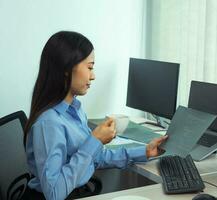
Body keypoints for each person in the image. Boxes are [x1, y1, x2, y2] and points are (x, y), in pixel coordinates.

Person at [23, 31, 168, 200]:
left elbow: (95, 156)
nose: (93, 76)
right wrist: (95, 141)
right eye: (90, 67)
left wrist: (144, 152)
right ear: (66, 68)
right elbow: (54, 193)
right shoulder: (49, 123)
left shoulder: (74, 109)